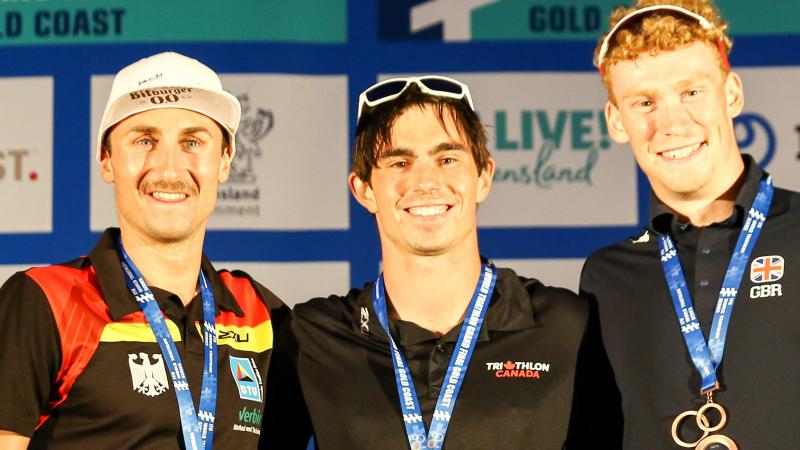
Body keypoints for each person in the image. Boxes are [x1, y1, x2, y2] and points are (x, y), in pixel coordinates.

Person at [262, 76, 620, 449]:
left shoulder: (568, 326)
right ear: (364, 190)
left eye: (447, 158)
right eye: (400, 161)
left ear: (483, 177)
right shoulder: (312, 338)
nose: (426, 180)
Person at [0, 52, 288, 449]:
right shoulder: (44, 301)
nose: (169, 169)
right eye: (144, 140)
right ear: (107, 160)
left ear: (224, 161)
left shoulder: (259, 314)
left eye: (192, 141)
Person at [581, 1, 800, 448]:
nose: (672, 123)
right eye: (644, 102)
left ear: (732, 94)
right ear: (616, 121)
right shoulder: (605, 278)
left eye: (691, 92)